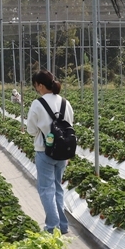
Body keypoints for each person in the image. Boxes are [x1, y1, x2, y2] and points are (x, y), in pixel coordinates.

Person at [26, 70, 74, 235]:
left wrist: (43, 130)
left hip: (44, 151)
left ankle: (52, 227)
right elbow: (70, 125)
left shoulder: (38, 104)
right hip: (63, 151)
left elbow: (31, 130)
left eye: (36, 86)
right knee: (58, 188)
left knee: (46, 189)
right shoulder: (65, 103)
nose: (36, 89)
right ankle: (63, 225)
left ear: (40, 85)